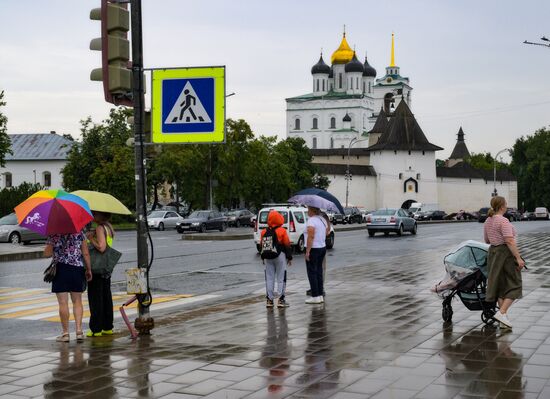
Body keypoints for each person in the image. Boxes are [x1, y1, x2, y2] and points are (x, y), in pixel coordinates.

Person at [483, 196, 525, 329]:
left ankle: (503, 320)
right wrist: (518, 258)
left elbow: (487, 241)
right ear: (501, 206)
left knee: (500, 287)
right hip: (505, 254)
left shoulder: (488, 221)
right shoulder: (504, 221)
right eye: (506, 204)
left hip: (493, 254)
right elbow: (509, 241)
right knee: (515, 284)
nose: (506, 206)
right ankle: (501, 313)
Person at [44, 231, 92, 342]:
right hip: (77, 269)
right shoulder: (80, 233)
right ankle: (79, 332)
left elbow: (47, 254)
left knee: (63, 302)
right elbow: (85, 254)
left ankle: (65, 334)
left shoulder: (54, 233)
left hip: (60, 270)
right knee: (77, 301)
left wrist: (49, 245)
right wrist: (89, 269)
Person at [86, 211, 116, 337]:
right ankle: (107, 326)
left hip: (97, 267)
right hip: (106, 266)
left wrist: (90, 238)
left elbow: (102, 247)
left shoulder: (99, 228)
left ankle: (96, 329)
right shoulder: (109, 227)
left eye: (95, 214)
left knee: (95, 298)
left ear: (100, 216)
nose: (92, 215)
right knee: (106, 297)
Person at [260, 210, 292, 308]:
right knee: (281, 278)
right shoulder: (282, 231)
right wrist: (289, 257)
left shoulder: (264, 231)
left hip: (268, 257)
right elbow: (287, 244)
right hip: (280, 256)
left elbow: (262, 245)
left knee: (269, 278)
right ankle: (281, 300)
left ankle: (269, 300)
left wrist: (262, 257)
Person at [304, 206, 327, 304]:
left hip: (314, 249)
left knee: (312, 272)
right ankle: (320, 294)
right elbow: (327, 232)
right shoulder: (322, 219)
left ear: (312, 211)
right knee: (318, 271)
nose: (307, 211)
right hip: (322, 247)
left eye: (308, 209)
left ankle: (315, 296)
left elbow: (311, 236)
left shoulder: (311, 220)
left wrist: (308, 251)